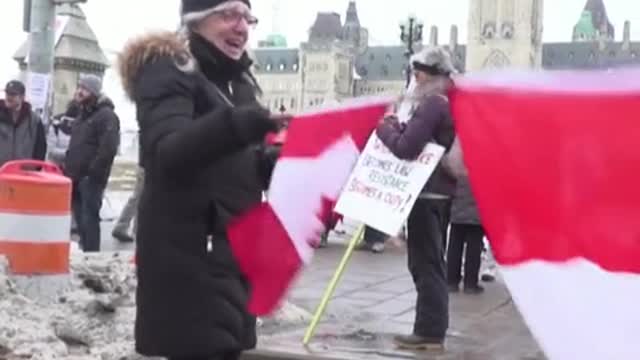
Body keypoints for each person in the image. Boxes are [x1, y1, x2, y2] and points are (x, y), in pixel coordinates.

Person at [117, 0, 285, 358]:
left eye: (246, 17)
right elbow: (167, 153)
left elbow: (237, 167)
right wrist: (237, 124)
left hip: (234, 256)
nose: (241, 27)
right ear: (196, 20)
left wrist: (276, 160)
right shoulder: (169, 68)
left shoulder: (238, 81)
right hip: (190, 258)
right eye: (228, 15)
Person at [375, 46, 458, 350]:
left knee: (425, 263)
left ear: (427, 74)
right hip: (438, 192)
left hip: (425, 191)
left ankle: (429, 331)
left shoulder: (433, 104)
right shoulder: (445, 103)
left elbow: (406, 148)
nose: (414, 78)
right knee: (431, 261)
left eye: (417, 72)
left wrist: (384, 127)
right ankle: (430, 329)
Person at [59, 74, 120, 252]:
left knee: (89, 219)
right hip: (74, 176)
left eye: (84, 89)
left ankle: (93, 256)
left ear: (93, 92)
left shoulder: (106, 116)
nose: (79, 92)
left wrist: (92, 173)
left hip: (91, 179)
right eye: (79, 87)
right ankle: (85, 252)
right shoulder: (81, 115)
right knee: (79, 220)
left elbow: (108, 149)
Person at [446, 137, 486, 294]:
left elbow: (449, 162)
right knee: (475, 242)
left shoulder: (461, 137)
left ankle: (451, 280)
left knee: (456, 239)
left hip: (460, 188)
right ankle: (471, 283)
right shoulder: (489, 138)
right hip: (481, 191)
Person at [0, 80, 47, 167]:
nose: (8, 97)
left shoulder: (34, 120)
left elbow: (40, 148)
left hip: (24, 175)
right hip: (1, 173)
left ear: (22, 97)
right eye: (7, 93)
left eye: (13, 94)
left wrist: (36, 169)